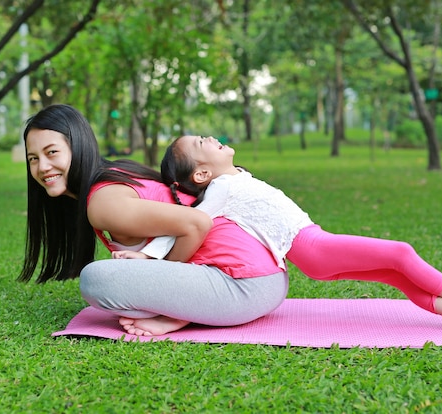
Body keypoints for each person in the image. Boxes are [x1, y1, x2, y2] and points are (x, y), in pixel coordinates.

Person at [114, 135, 442, 335]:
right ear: (201, 173)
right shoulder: (219, 189)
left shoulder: (235, 178)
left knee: (393, 274)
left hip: (312, 243)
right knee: (400, 252)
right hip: (310, 247)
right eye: (202, 142)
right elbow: (189, 222)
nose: (211, 138)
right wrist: (147, 256)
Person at [19, 104, 289, 337]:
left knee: (95, 281)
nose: (42, 167)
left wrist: (159, 268)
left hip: (245, 285)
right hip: (260, 279)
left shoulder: (103, 202)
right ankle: (181, 311)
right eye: (33, 158)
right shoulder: (114, 174)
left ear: (78, 148)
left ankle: (177, 314)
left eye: (52, 153)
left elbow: (196, 223)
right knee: (124, 280)